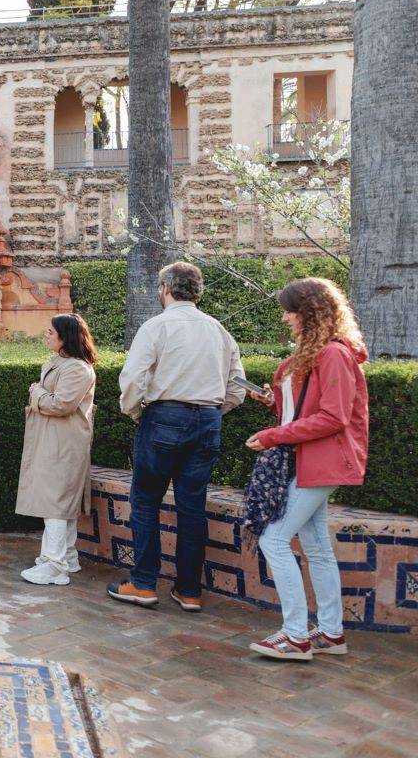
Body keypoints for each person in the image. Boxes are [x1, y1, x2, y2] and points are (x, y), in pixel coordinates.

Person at [109, 262, 246, 610]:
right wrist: (215, 411)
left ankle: (143, 584)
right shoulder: (219, 330)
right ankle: (189, 591)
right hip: (208, 420)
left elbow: (132, 379)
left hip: (164, 417)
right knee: (192, 507)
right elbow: (238, 387)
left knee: (145, 501)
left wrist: (137, 412)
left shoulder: (157, 326)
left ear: (166, 289)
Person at [244, 278, 368, 660]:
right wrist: (273, 403)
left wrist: (274, 435)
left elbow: (333, 417)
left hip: (320, 461)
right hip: (312, 460)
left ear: (308, 313)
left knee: (274, 540)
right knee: (316, 548)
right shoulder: (321, 353)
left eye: (289, 311)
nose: (284, 318)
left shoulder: (332, 354)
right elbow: (310, 411)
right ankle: (330, 633)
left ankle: (296, 636)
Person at [15, 313, 98, 585]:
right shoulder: (64, 364)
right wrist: (39, 391)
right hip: (55, 440)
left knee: (56, 503)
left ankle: (55, 565)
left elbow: (61, 404)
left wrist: (36, 392)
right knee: (60, 503)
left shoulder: (77, 369)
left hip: (63, 443)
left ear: (65, 337)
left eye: (51, 332)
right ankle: (67, 557)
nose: (46, 336)